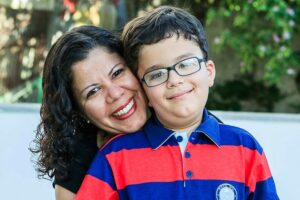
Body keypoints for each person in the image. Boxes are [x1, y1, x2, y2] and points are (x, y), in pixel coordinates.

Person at [75, 6, 279, 199]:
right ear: (144, 91)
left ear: (209, 72)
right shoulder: (115, 156)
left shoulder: (245, 148)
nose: (174, 80)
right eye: (156, 74)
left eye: (186, 64)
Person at [30, 25, 148, 200]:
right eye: (93, 91)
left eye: (117, 72)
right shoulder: (78, 162)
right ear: (78, 112)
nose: (115, 94)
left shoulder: (188, 125)